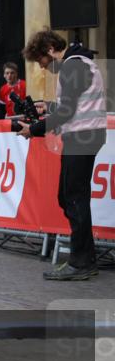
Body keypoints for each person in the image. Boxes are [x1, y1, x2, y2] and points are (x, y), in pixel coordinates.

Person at [18, 30, 106, 280]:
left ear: (49, 49)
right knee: (69, 196)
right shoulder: (80, 63)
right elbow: (76, 105)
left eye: (41, 60)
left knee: (74, 197)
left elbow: (68, 112)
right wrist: (49, 107)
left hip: (82, 137)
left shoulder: (72, 66)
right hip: (85, 135)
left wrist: (33, 129)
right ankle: (85, 257)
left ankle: (81, 262)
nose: (42, 67)